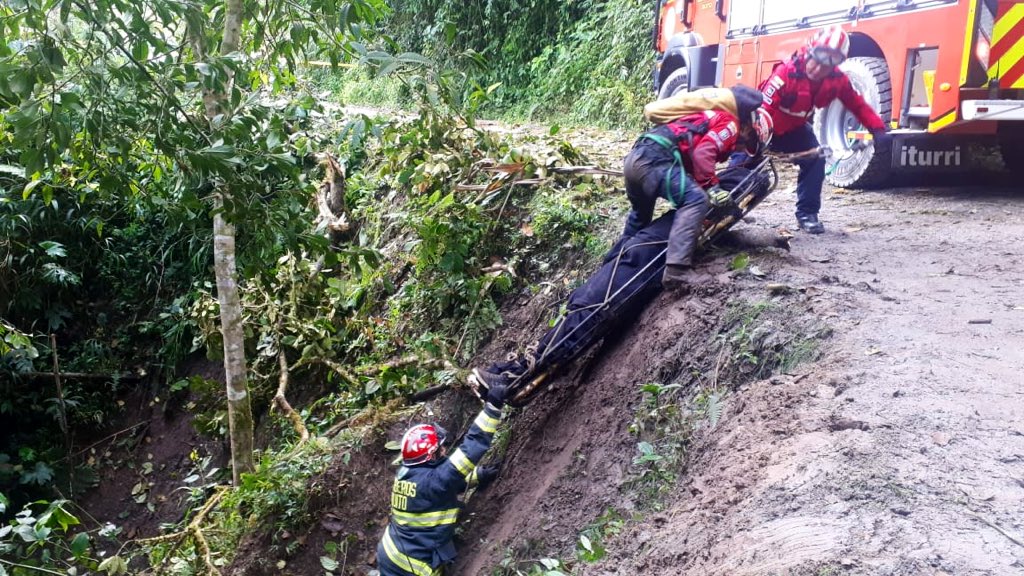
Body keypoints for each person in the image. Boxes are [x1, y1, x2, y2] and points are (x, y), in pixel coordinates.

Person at [469, 166, 786, 400]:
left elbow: (721, 227)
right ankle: (522, 367)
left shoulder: (699, 220)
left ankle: (520, 373)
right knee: (584, 303)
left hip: (640, 261)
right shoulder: (693, 214)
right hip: (638, 251)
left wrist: (760, 236)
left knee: (589, 308)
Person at [622, 85, 773, 290]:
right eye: (747, 142)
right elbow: (704, 153)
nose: (740, 148)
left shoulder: (707, 119)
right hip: (654, 161)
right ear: (748, 127)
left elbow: (693, 160)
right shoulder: (731, 124)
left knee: (640, 215)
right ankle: (676, 272)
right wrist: (713, 189)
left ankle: (617, 259)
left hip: (636, 159)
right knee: (696, 200)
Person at [750, 25, 890, 234]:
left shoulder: (837, 81)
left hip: (793, 131)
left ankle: (807, 213)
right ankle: (724, 201)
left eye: (828, 65)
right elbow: (763, 109)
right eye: (817, 60)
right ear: (809, 52)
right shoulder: (785, 73)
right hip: (762, 128)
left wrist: (877, 129)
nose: (818, 69)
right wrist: (754, 142)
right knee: (743, 163)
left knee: (817, 158)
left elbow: (857, 104)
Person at [376, 380, 509, 576]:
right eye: (440, 448)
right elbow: (471, 449)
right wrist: (492, 408)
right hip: (413, 566)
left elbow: (442, 488)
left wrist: (479, 476)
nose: (444, 449)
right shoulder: (433, 480)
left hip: (391, 553)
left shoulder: (408, 473)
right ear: (430, 455)